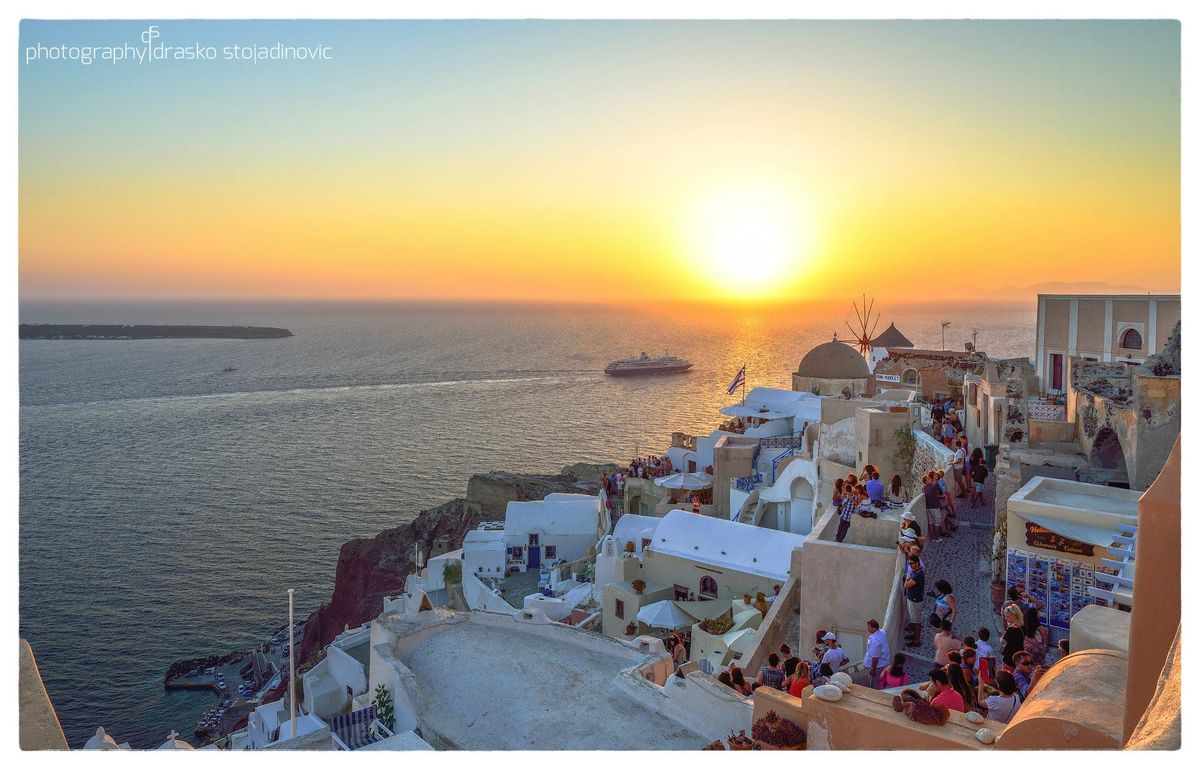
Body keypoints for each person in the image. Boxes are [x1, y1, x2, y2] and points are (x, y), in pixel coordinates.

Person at [904, 554, 925, 647]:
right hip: (913, 599)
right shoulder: (916, 571)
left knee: (916, 621)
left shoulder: (918, 575)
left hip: (915, 601)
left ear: (917, 563)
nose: (910, 565)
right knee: (914, 620)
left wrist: (906, 581)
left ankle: (917, 640)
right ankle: (915, 635)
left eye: (912, 563)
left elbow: (907, 585)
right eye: (909, 563)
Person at [863, 618, 890, 688]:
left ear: (874, 629)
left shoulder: (875, 640)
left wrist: (873, 669)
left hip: (878, 666)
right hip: (884, 663)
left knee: (875, 684)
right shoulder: (882, 632)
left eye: (869, 627)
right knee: (881, 681)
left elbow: (875, 657)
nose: (867, 628)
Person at [921, 473, 944, 542]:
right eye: (928, 479)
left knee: (931, 523)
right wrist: (942, 496)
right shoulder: (933, 486)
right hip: (934, 506)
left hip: (928, 507)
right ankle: (937, 538)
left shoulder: (924, 488)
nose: (930, 479)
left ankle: (933, 538)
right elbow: (937, 495)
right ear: (926, 481)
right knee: (937, 522)